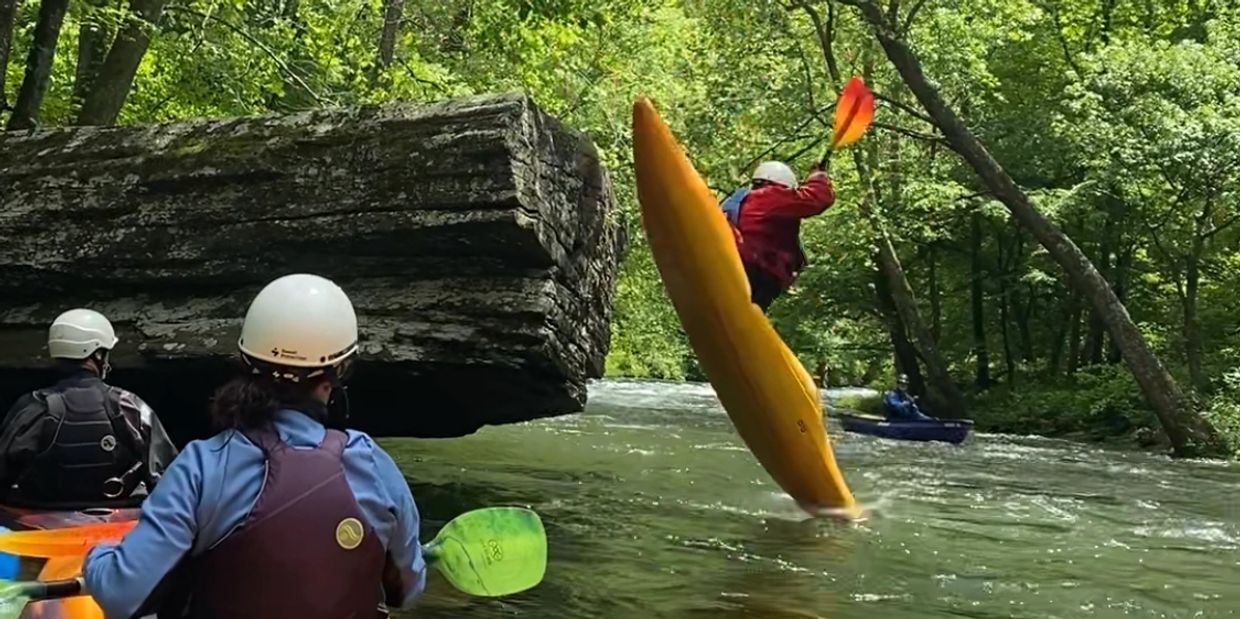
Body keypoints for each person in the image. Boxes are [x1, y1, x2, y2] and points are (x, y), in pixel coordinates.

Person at [83, 274, 427, 619]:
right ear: (337, 373)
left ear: (247, 362)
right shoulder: (376, 468)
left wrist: (97, 556)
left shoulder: (202, 466)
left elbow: (121, 595)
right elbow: (407, 591)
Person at [0, 309, 177, 507]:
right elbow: (168, 477)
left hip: (41, 521)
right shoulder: (128, 405)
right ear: (98, 354)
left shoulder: (33, 406)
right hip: (120, 518)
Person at [720, 160, 835, 311]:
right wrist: (818, 176)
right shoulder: (772, 197)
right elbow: (818, 198)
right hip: (758, 274)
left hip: (729, 268)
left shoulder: (739, 201)